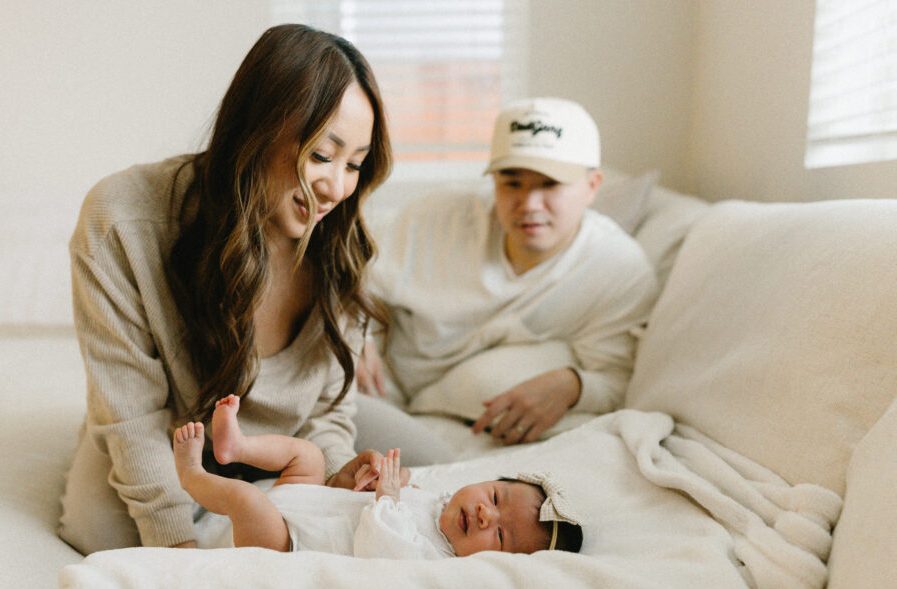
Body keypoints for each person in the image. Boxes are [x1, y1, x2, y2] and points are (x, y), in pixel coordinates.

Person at [59, 24, 403, 555]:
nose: (336, 187)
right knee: (98, 532)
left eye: (354, 164)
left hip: (290, 440)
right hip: (172, 434)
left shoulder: (341, 241)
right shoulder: (123, 218)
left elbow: (326, 414)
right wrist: (177, 546)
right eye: (320, 155)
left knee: (435, 463)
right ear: (258, 128)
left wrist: (336, 474)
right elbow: (131, 413)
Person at [356, 97, 657, 451]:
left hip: (454, 419)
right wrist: (354, 331)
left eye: (549, 184)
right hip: (378, 382)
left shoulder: (619, 269)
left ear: (593, 185)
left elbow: (621, 378)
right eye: (511, 183)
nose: (529, 204)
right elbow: (347, 275)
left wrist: (573, 385)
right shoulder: (441, 216)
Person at [173, 394, 584, 558]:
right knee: (309, 455)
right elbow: (403, 495)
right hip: (311, 500)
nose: (483, 515)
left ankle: (193, 474)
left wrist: (387, 499)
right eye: (495, 498)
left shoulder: (433, 557)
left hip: (287, 542)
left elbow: (383, 548)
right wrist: (389, 480)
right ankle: (236, 448)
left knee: (249, 503)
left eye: (499, 537)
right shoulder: (444, 504)